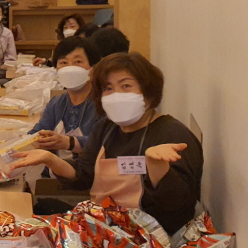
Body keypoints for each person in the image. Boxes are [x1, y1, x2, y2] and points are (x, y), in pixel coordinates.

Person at [10, 53, 203, 234]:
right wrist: (50, 159)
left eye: (126, 86)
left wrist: (157, 167)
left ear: (149, 92)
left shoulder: (173, 134)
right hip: (105, 228)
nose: (116, 95)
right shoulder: (106, 128)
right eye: (108, 88)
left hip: (151, 238)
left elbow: (178, 206)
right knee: (37, 210)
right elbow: (83, 176)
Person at [27, 37, 103, 160]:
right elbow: (37, 133)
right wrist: (34, 140)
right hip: (54, 169)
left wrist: (68, 142)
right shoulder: (56, 104)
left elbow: (107, 143)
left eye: (78, 62)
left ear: (93, 68)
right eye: (63, 63)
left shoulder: (103, 104)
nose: (70, 68)